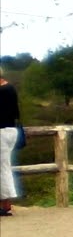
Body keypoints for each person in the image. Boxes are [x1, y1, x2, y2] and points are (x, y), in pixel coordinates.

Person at [0, 66, 20, 216]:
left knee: (2, 168)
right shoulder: (10, 88)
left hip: (2, 131)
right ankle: (5, 204)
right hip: (10, 130)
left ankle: (5, 205)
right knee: (3, 166)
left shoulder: (2, 91)